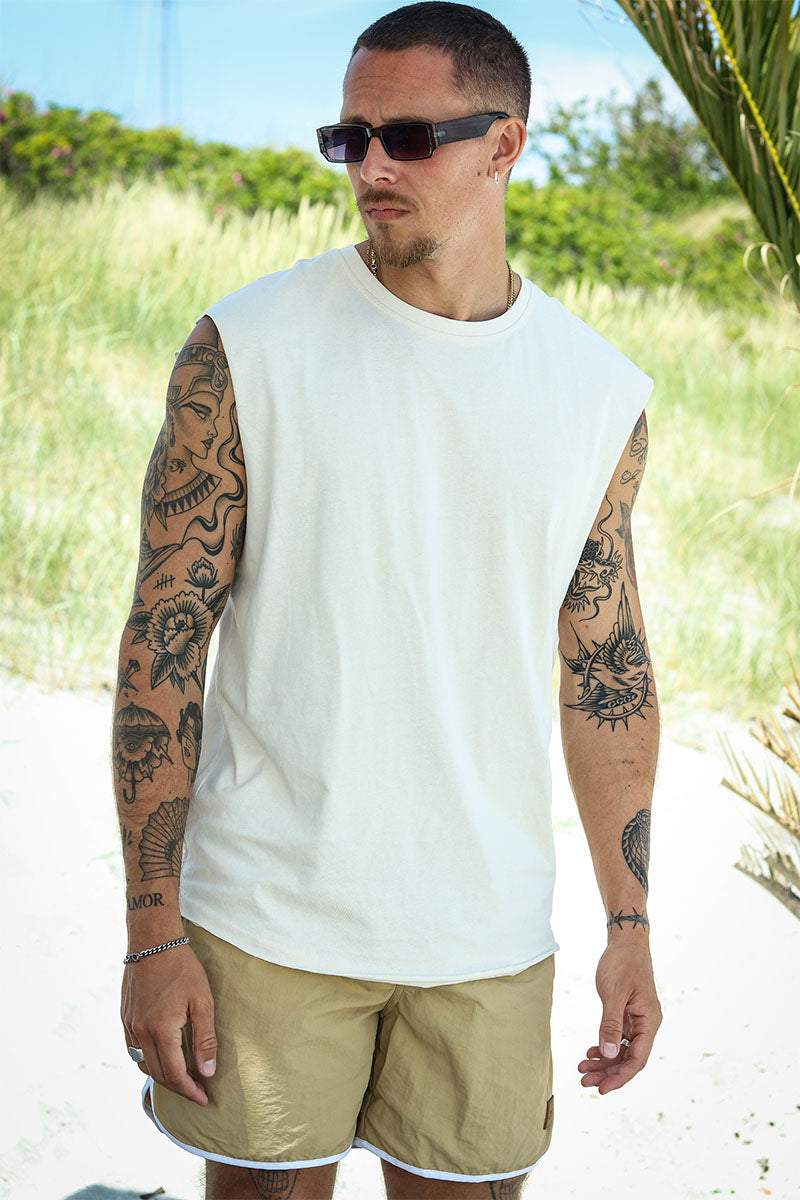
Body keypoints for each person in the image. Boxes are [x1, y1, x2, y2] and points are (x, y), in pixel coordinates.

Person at [113, 4, 662, 1198]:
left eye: (407, 137)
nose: (369, 166)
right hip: (267, 921)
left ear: (504, 143)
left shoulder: (594, 394)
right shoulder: (246, 348)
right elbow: (163, 648)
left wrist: (628, 926)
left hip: (484, 933)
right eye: (347, 136)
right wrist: (153, 932)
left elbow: (605, 674)